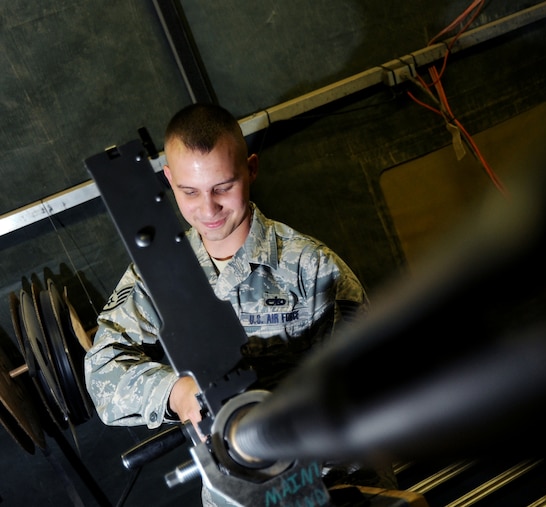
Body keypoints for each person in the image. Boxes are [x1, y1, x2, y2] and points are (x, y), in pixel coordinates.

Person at [84, 103, 396, 506]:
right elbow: (102, 367)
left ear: (251, 169)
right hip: (234, 496)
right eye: (189, 191)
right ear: (168, 181)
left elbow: (373, 384)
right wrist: (176, 393)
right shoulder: (155, 274)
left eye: (223, 187)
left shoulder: (312, 269)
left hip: (332, 484)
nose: (208, 209)